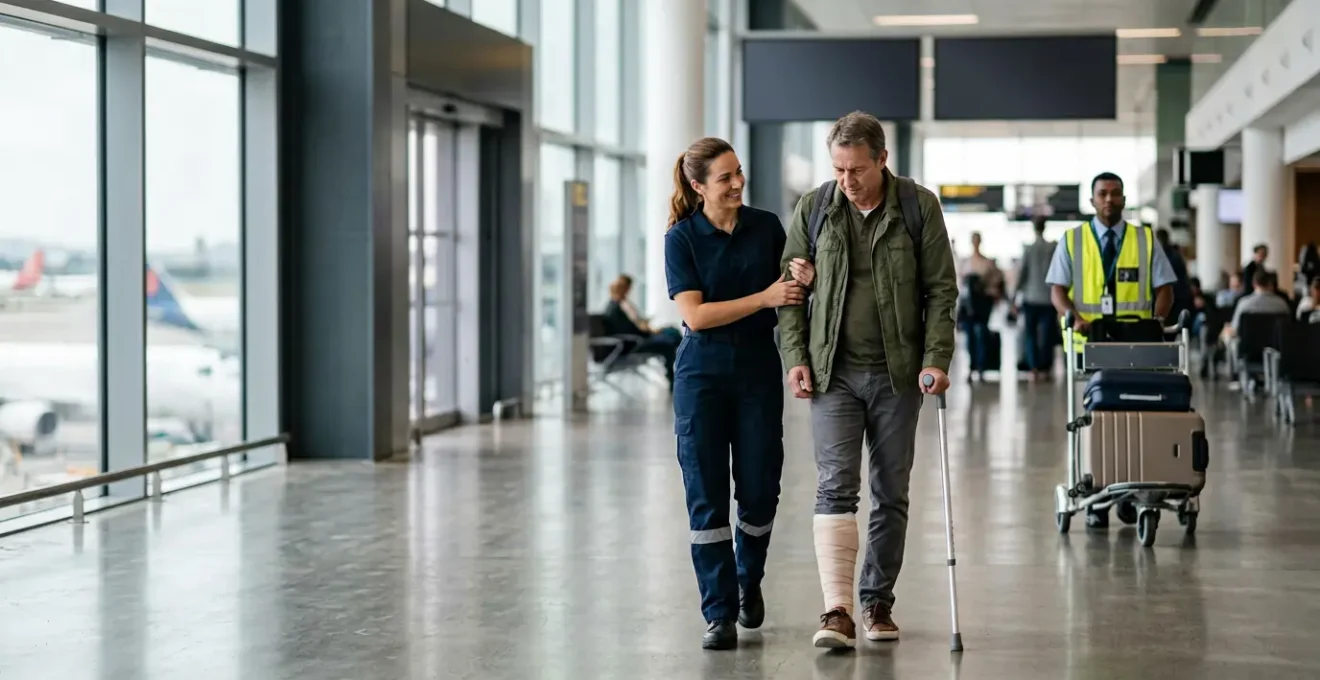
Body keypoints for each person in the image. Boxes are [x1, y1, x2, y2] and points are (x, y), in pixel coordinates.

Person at [776, 111, 958, 649]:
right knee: (835, 486)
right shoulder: (814, 208)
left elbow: (941, 292)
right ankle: (837, 610)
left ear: (882, 159)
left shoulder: (917, 207)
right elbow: (789, 292)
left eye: (856, 169)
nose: (847, 181)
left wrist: (937, 358)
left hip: (899, 376)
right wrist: (796, 357)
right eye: (838, 169)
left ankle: (876, 601)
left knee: (890, 491)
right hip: (833, 373)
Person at [664, 136, 815, 651]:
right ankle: (719, 612)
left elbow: (793, 291)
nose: (737, 183)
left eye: (738, 172)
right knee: (706, 495)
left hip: (755, 366)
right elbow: (696, 315)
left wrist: (803, 280)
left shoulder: (767, 226)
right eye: (725, 177)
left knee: (758, 488)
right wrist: (765, 297)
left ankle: (749, 580)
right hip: (700, 373)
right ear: (698, 184)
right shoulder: (682, 239)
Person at [1046, 171, 1177, 528]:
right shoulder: (1072, 240)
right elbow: (1057, 289)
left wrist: (1157, 319)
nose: (1108, 199)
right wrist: (1073, 316)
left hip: (1137, 344)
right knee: (1096, 420)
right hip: (1090, 345)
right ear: (1092, 201)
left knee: (1136, 418)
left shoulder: (1145, 239)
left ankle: (1130, 494)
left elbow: (1165, 287)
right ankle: (1097, 497)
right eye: (1102, 194)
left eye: (1115, 194)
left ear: (1123, 199)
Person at [602, 274, 681, 388]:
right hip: (634, 343)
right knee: (668, 342)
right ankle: (675, 376)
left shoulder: (618, 306)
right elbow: (629, 329)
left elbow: (632, 325)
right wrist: (646, 330)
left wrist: (645, 328)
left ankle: (679, 371)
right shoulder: (616, 309)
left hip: (638, 339)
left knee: (671, 332)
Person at [1015, 215, 1058, 380]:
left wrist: (1014, 296)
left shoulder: (1029, 249)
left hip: (1030, 298)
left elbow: (1022, 275)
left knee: (1030, 334)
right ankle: (1045, 368)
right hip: (1048, 298)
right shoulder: (1052, 248)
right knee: (1047, 336)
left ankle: (1033, 368)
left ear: (1034, 228)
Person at [957, 232, 1002, 382]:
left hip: (982, 305)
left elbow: (996, 282)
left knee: (981, 334)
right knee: (970, 337)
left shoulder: (987, 263)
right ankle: (972, 367)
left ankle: (981, 367)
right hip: (969, 307)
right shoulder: (966, 263)